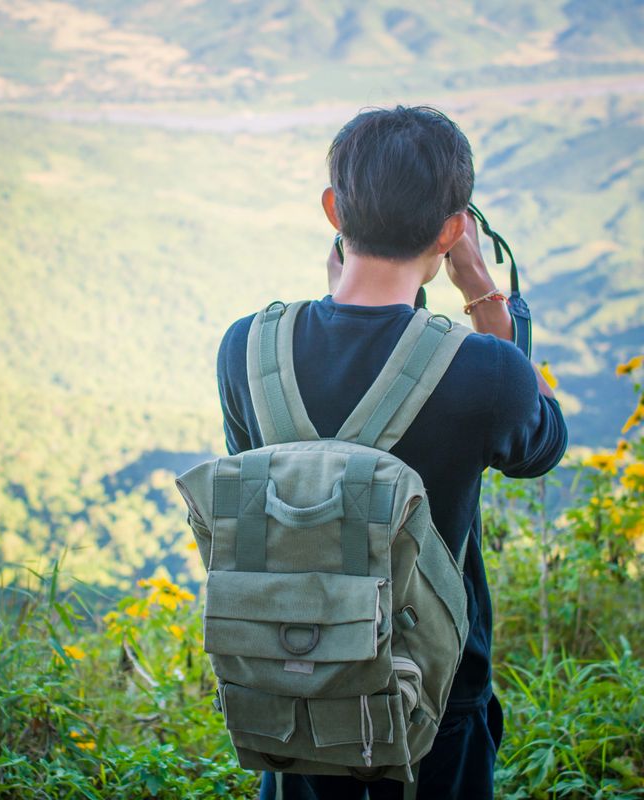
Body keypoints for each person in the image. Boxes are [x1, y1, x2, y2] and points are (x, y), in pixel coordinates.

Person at [215, 106, 568, 800]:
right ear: (452, 228)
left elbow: (280, 467)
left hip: (295, 683)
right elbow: (540, 443)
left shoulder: (246, 348)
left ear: (333, 211)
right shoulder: (485, 372)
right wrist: (483, 293)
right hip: (435, 700)